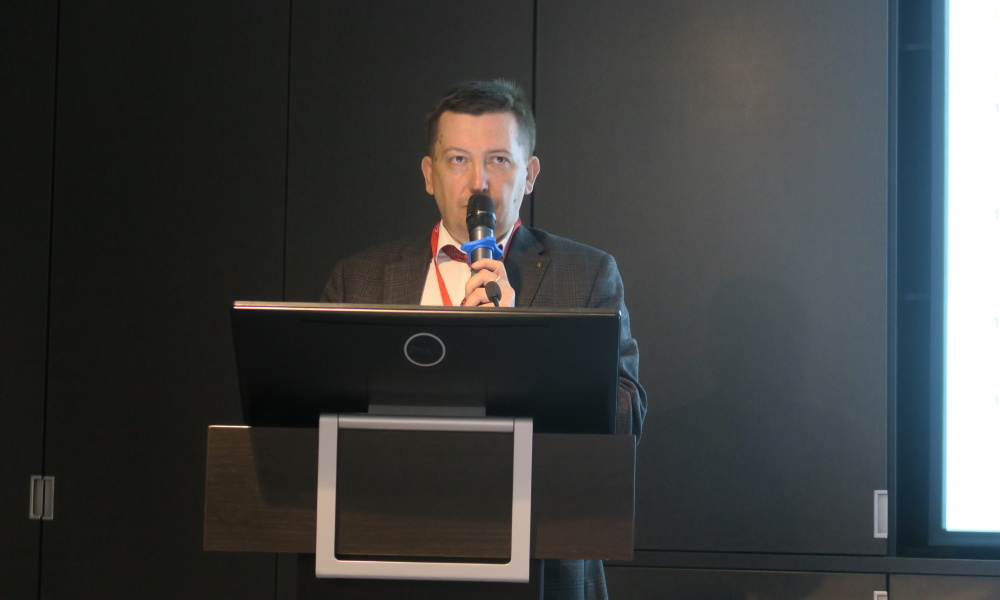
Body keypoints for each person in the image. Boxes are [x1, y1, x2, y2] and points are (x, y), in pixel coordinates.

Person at [321, 78, 647, 600]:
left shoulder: (586, 275)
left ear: (529, 175)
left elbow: (625, 416)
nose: (478, 183)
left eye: (498, 160)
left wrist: (519, 344)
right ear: (429, 174)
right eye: (458, 160)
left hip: (541, 555)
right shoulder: (359, 280)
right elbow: (314, 417)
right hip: (388, 549)